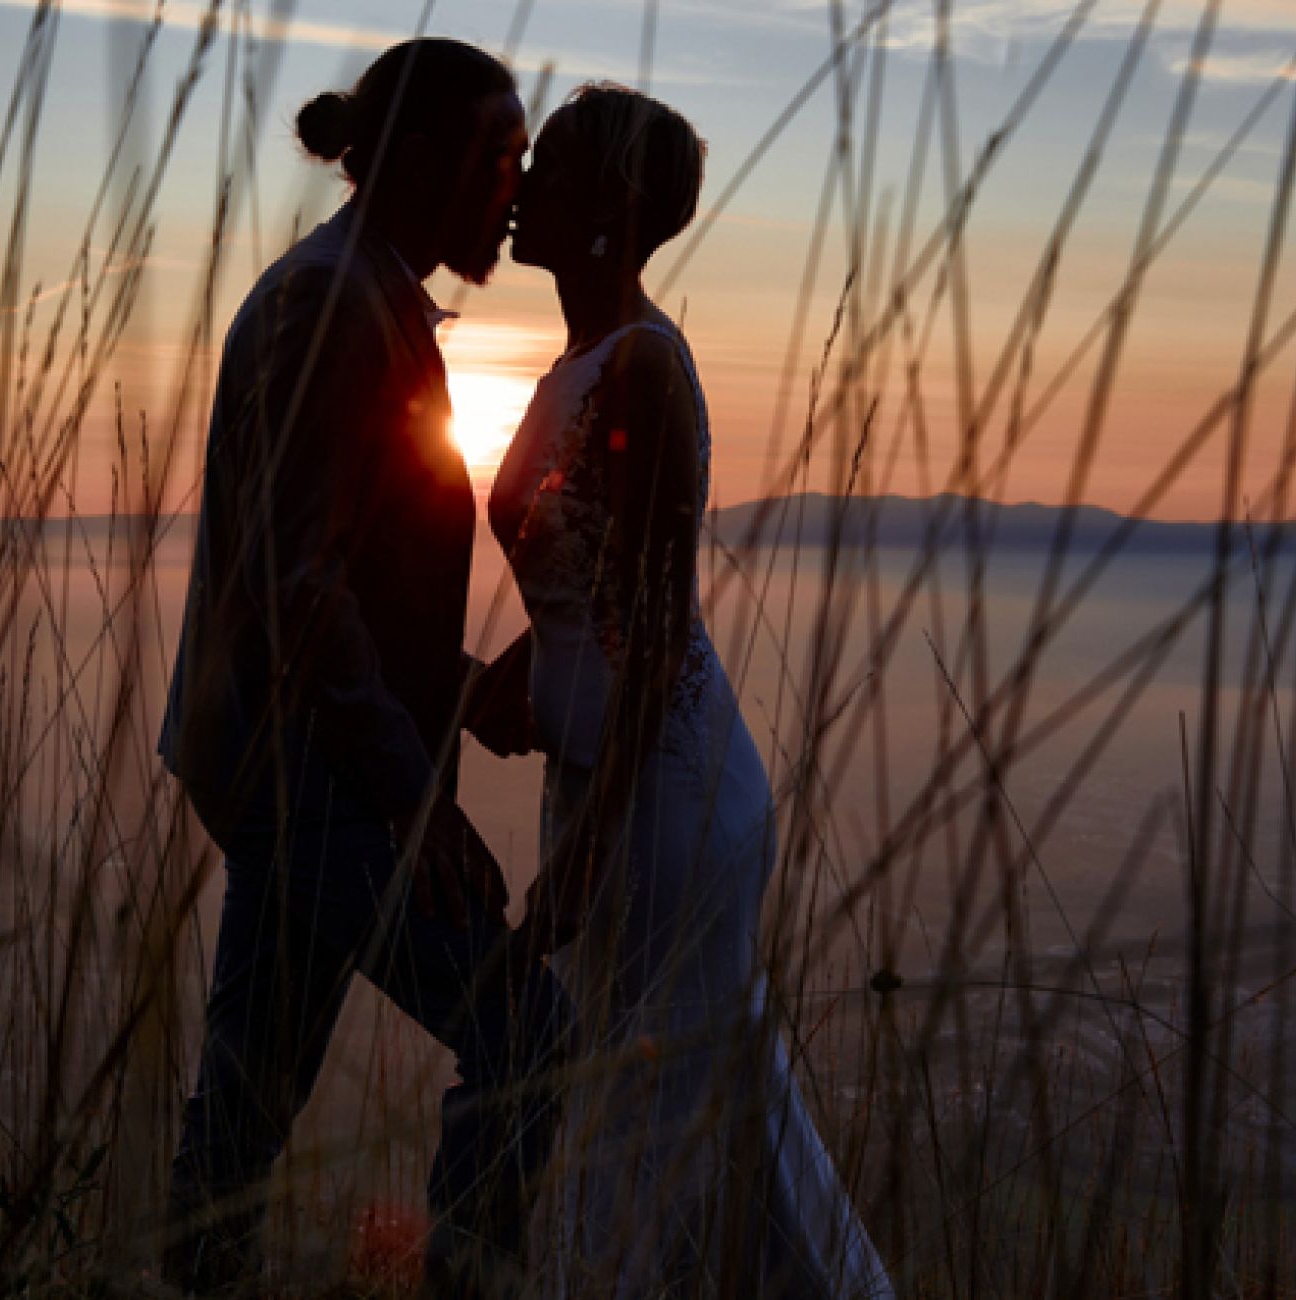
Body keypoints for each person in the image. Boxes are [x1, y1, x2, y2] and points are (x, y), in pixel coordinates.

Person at [157, 37, 571, 1300]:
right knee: (531, 1039)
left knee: (247, 1093)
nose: (518, 185)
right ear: (430, 160)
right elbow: (299, 586)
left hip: (305, 770)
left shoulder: (355, 291)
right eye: (501, 158)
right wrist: (410, 793)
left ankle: (193, 1276)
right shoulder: (335, 304)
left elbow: (340, 577)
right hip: (324, 783)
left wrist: (459, 692)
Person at [487, 83, 895, 1298]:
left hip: (662, 805)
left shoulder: (643, 373)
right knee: (706, 1099)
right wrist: (456, 696)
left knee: (642, 1118)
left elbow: (655, 645)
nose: (517, 188)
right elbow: (577, 604)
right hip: (616, 792)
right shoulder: (582, 358)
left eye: (546, 169)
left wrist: (583, 854)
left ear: (610, 205)